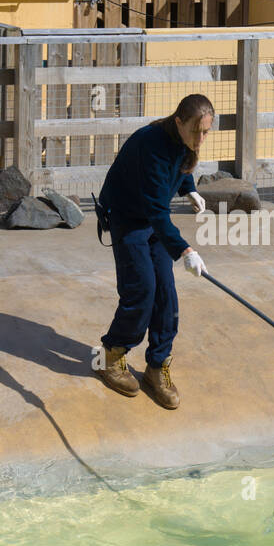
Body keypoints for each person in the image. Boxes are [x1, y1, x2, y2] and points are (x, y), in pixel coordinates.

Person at [93, 93, 213, 408]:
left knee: (166, 294)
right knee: (141, 289)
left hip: (151, 218)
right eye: (196, 131)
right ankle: (112, 354)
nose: (200, 139)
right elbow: (158, 213)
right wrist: (185, 250)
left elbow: (181, 167)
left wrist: (189, 189)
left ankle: (157, 366)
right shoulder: (152, 146)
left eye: (206, 133)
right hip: (128, 218)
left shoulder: (181, 142)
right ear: (178, 122)